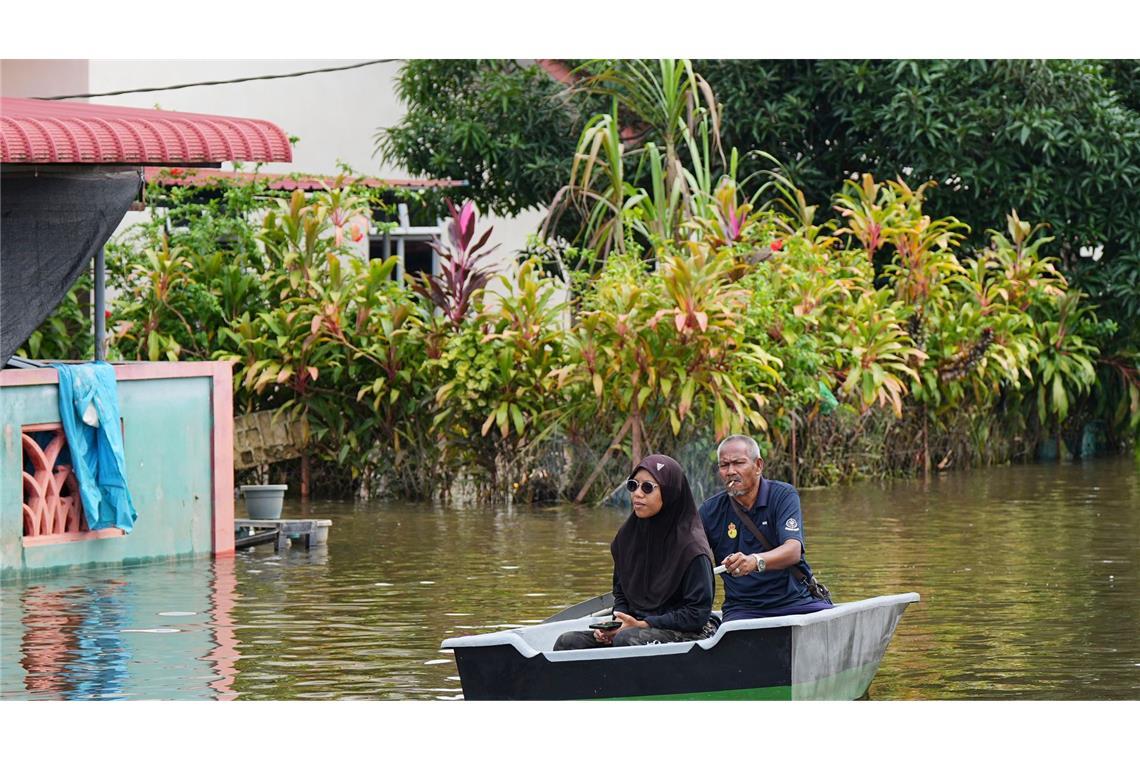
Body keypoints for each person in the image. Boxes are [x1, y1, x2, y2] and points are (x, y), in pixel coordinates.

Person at [554, 454, 718, 650]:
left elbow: (696, 614)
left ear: (670, 493)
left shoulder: (692, 548)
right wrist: (616, 624)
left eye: (647, 487)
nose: (637, 494)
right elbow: (621, 594)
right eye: (633, 485)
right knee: (568, 642)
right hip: (636, 627)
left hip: (692, 631)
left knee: (627, 640)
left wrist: (643, 624)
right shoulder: (627, 537)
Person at [699, 434, 833, 622]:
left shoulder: (783, 495)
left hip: (797, 602)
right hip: (742, 609)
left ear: (758, 466)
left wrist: (755, 561)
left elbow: (793, 550)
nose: (730, 471)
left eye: (738, 463)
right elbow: (690, 558)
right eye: (724, 465)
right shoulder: (710, 510)